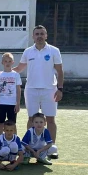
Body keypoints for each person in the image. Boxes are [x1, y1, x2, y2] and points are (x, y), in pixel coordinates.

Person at [13, 25, 64, 158]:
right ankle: (29, 148)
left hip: (50, 90)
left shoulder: (54, 51)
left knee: (50, 119)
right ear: (33, 36)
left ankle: (51, 148)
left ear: (46, 36)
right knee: (31, 119)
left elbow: (60, 71)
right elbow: (19, 68)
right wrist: (5, 73)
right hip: (31, 90)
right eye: (37, 34)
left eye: (42, 34)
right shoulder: (28, 51)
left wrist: (60, 89)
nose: (39, 36)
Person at [0, 52, 22, 136]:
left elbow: (18, 89)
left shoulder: (16, 75)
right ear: (2, 62)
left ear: (13, 62)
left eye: (9, 61)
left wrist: (18, 103)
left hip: (12, 104)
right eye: (5, 61)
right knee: (0, 124)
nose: (7, 63)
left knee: (13, 124)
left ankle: (15, 141)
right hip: (1, 103)